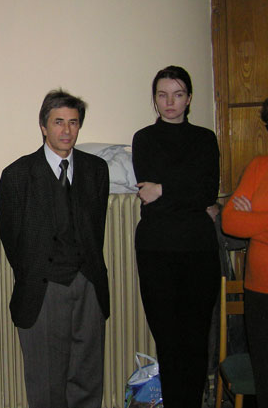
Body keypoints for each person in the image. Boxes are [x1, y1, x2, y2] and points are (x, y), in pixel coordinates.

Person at [0, 89, 110, 408]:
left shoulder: (96, 170)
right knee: (47, 384)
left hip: (88, 284)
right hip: (43, 290)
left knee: (87, 378)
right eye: (58, 122)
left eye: (73, 122)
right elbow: (12, 240)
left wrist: (86, 274)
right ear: (43, 126)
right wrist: (38, 273)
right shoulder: (17, 175)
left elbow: (96, 229)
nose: (66, 130)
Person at [132, 65, 220, 408]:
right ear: (154, 99)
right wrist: (186, 190)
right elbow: (149, 193)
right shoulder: (144, 138)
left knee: (196, 343)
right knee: (168, 344)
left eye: (178, 94)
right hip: (156, 251)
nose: (170, 102)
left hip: (199, 251)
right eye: (163, 95)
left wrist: (164, 188)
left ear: (189, 98)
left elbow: (207, 191)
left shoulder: (205, 138)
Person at [222, 97, 268, 408]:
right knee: (264, 377)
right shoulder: (258, 167)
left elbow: (244, 222)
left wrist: (254, 219)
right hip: (258, 291)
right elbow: (230, 221)